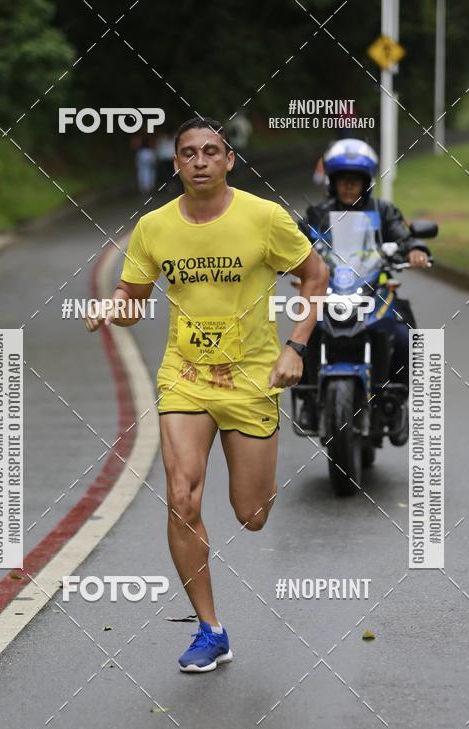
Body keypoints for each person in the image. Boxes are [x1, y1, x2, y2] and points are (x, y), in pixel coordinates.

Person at [86, 116, 329, 673]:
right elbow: (133, 298)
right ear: (176, 163)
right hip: (186, 376)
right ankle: (210, 629)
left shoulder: (265, 218)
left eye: (211, 151)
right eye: (189, 153)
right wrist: (112, 307)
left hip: (251, 377)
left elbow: (315, 276)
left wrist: (295, 346)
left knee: (252, 514)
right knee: (183, 496)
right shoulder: (154, 227)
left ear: (229, 160)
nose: (200, 161)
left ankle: (257, 487)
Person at [296, 138, 430, 432]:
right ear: (332, 182)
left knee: (406, 336)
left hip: (374, 291)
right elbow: (296, 241)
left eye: (354, 180)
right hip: (330, 292)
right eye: (342, 179)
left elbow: (404, 236)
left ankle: (395, 399)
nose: (348, 186)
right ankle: (308, 399)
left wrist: (415, 249)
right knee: (305, 330)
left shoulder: (384, 211)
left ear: (366, 183)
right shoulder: (318, 214)